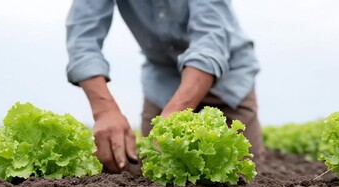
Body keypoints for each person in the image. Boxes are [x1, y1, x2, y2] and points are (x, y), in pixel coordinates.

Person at [66, 0, 264, 173]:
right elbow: (83, 40)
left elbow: (210, 40)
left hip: (227, 77)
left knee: (240, 172)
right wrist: (104, 111)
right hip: (162, 81)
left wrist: (173, 115)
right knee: (151, 171)